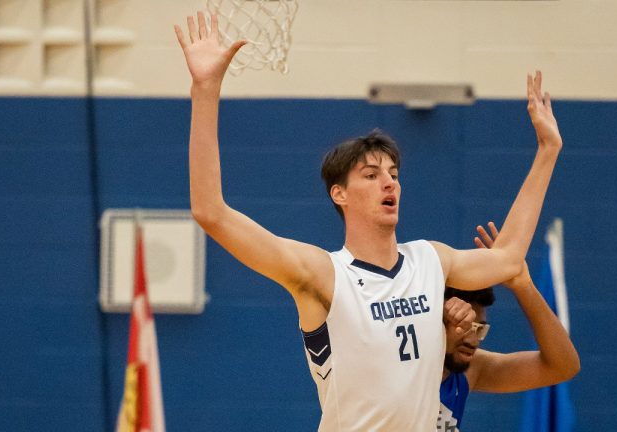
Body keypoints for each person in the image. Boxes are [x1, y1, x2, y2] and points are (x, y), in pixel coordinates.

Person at [174, 11, 563, 431]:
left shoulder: (430, 260)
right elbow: (210, 212)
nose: (388, 183)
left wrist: (547, 150)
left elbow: (508, 258)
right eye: (372, 175)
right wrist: (205, 89)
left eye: (394, 174)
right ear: (339, 194)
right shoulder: (323, 273)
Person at [439, 222, 580, 431]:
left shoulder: (470, 370)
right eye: (464, 325)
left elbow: (563, 366)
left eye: (479, 329)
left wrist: (523, 285)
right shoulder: (396, 359)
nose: (472, 340)